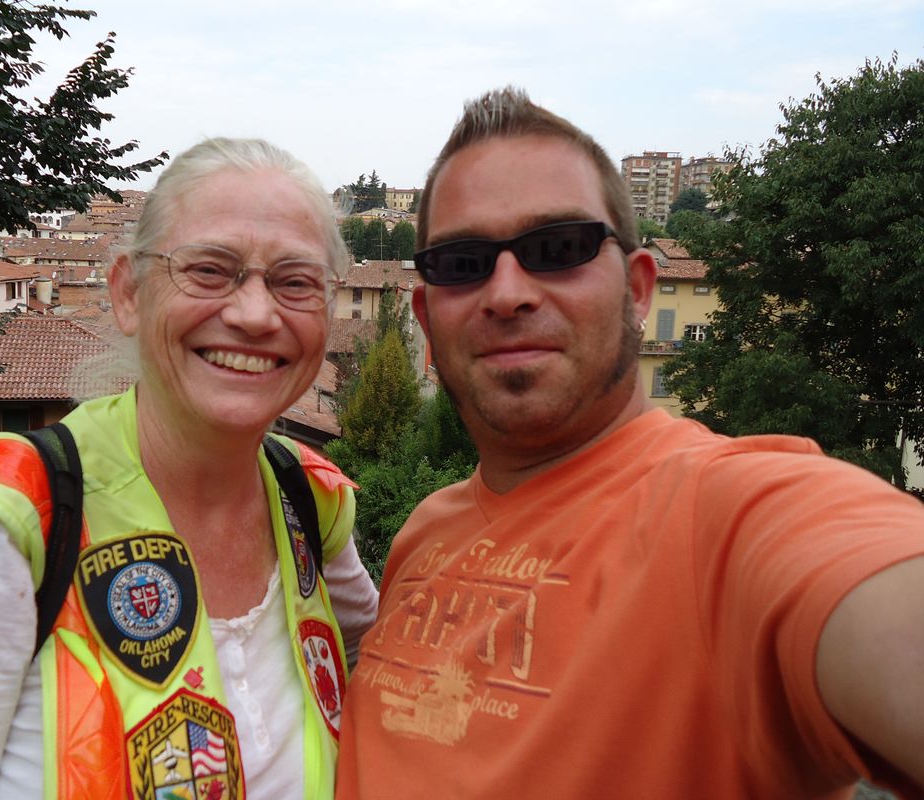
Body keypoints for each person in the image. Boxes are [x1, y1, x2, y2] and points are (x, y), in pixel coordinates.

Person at [335, 87, 924, 798]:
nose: (508, 292)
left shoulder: (730, 513)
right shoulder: (423, 533)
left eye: (558, 248)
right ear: (427, 319)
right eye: (463, 263)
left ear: (638, 291)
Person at [0, 137, 378, 800]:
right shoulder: (1, 531)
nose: (253, 313)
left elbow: (389, 663)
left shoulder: (308, 502)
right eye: (210, 271)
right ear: (128, 293)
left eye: (295, 282)